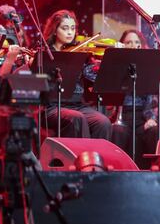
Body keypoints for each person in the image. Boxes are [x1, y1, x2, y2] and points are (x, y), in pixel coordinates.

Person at [40, 10, 111, 140]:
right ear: (55, 30)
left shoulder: (80, 53)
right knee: (76, 118)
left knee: (103, 122)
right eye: (65, 28)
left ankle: (96, 158)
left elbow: (93, 77)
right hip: (52, 106)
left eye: (72, 28)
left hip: (77, 104)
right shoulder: (46, 54)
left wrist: (101, 64)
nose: (70, 32)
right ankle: (81, 158)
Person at [110, 29, 158, 168]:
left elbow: (152, 96)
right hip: (123, 115)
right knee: (118, 131)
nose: (133, 45)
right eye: (128, 42)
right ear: (122, 45)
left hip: (142, 116)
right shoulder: (115, 65)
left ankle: (152, 171)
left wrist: (151, 118)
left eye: (136, 42)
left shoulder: (146, 66)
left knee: (153, 131)